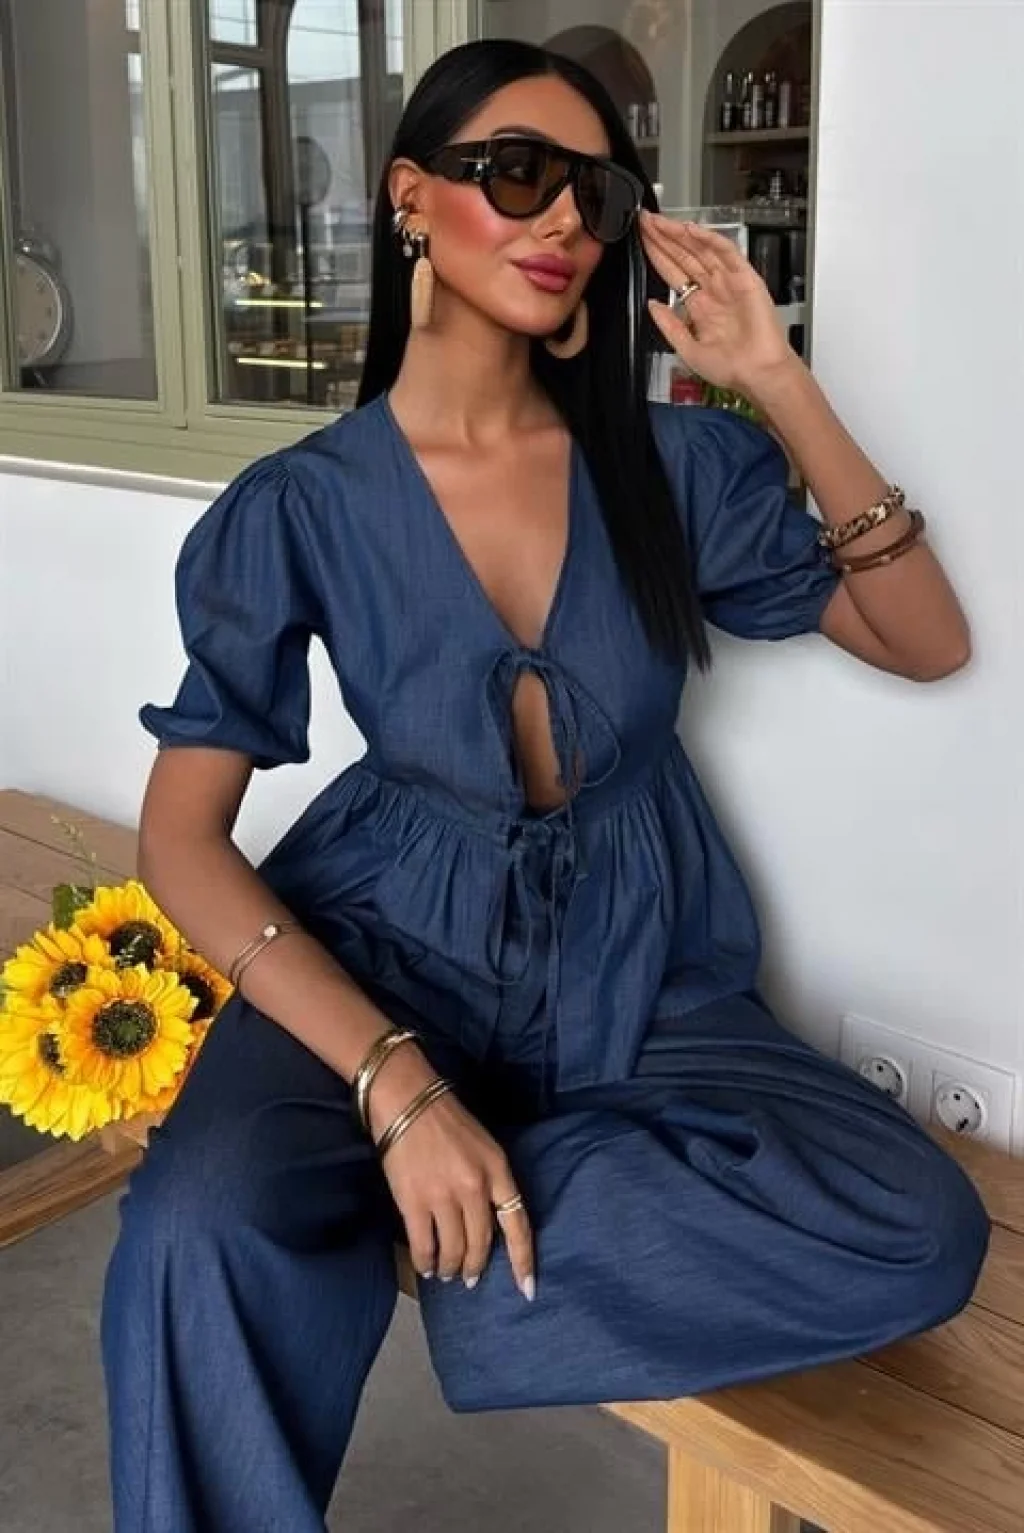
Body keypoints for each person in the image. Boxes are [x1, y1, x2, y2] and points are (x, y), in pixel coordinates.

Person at [102, 38, 989, 1532]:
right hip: (384, 941)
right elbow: (182, 842)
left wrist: (775, 379)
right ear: (410, 198)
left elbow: (926, 639)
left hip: (640, 969)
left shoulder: (676, 468)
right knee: (199, 1227)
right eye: (518, 173)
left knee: (916, 1229)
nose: (567, 217)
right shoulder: (299, 506)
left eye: (599, 190)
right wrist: (398, 1085)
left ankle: (460, 1229)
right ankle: (412, 1173)